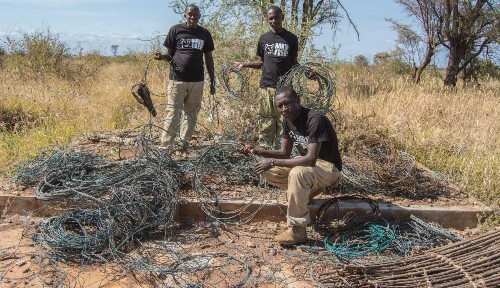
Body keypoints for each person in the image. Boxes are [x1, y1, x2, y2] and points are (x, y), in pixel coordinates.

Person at [239, 86, 342, 246]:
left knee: (297, 173)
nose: (284, 109)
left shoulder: (315, 119)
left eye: (287, 104)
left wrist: (272, 161)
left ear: (298, 101)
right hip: (308, 165)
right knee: (266, 170)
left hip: (328, 168)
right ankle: (306, 191)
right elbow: (284, 152)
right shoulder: (287, 120)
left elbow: (310, 160)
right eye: (280, 106)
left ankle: (297, 230)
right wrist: (257, 150)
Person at [234, 6, 298, 149]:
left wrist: (306, 72)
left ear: (282, 18)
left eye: (276, 17)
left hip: (285, 89)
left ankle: (283, 152)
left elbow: (294, 62)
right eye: (270, 18)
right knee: (266, 121)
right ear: (267, 19)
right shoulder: (264, 38)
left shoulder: (292, 38)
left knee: (285, 121)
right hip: (266, 86)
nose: (274, 20)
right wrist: (244, 64)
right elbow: (261, 62)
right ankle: (264, 151)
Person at [154, 4, 216, 148]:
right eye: (190, 14)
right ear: (185, 15)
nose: (192, 17)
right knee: (173, 113)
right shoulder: (175, 30)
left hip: (197, 81)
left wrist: (212, 80)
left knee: (191, 114)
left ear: (199, 16)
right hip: (177, 80)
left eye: (195, 15)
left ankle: (183, 146)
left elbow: (209, 58)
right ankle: (166, 147)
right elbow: (169, 55)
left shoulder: (204, 33)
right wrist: (161, 57)